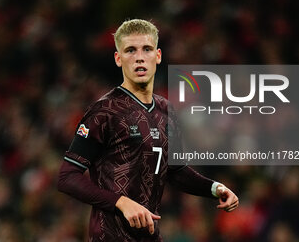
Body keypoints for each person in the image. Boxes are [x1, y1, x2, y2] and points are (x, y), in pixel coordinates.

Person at [57, 19, 239, 241]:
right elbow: (67, 176)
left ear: (158, 56)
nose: (139, 57)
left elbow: (175, 171)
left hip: (149, 235)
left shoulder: (167, 110)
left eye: (147, 49)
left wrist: (214, 188)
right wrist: (120, 202)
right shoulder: (104, 112)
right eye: (130, 50)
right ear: (118, 58)